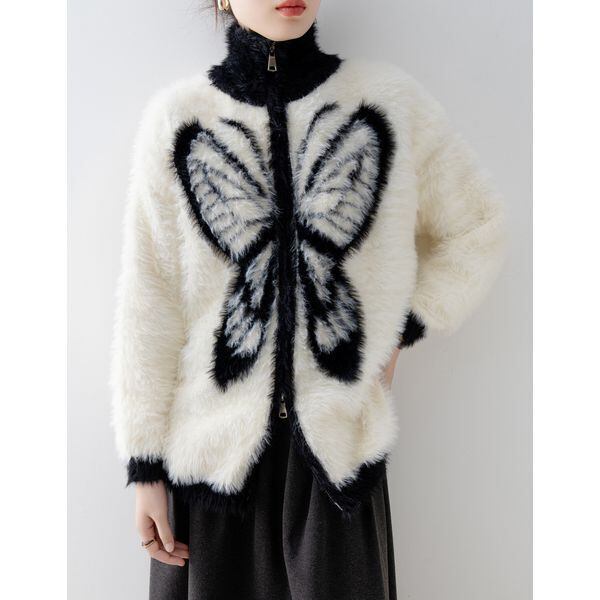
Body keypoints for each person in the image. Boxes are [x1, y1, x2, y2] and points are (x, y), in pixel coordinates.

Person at [109, 1, 506, 598]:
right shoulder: (179, 119)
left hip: (338, 463)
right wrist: (145, 468)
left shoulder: (386, 104)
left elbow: (477, 227)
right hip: (210, 469)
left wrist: (400, 330)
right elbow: (150, 300)